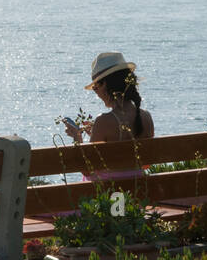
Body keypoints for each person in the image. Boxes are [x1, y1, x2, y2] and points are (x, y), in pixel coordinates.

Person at [62, 52, 154, 182]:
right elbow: (146, 164)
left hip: (108, 197)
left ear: (104, 84)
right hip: (137, 194)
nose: (96, 93)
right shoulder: (146, 118)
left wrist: (77, 138)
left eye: (95, 88)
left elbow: (87, 170)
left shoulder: (103, 121)